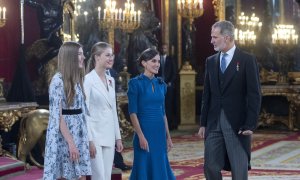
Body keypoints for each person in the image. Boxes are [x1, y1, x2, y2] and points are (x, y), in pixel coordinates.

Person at [198, 20, 261, 180]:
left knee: (239, 171)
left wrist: (250, 123)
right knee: (210, 166)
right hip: (213, 123)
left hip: (238, 124)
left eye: (214, 37)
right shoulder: (210, 61)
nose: (211, 40)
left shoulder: (247, 59)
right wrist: (203, 123)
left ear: (226, 37)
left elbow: (254, 94)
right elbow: (207, 94)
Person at [43, 41, 91, 180]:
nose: (83, 57)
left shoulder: (77, 79)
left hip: (79, 134)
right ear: (70, 57)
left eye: (83, 54)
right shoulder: (57, 81)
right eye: (79, 54)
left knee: (79, 175)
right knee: (66, 175)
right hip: (64, 136)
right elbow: (57, 116)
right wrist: (70, 142)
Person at [127, 48, 176, 179]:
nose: (157, 64)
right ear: (144, 63)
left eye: (158, 61)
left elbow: (163, 113)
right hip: (144, 131)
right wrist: (141, 136)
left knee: (160, 164)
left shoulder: (161, 84)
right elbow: (132, 113)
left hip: (159, 133)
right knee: (144, 166)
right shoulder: (134, 84)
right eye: (153, 61)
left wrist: (168, 137)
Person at [84, 42, 123, 180]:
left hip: (109, 135)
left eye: (112, 55)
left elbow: (113, 111)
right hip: (94, 136)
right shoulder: (87, 80)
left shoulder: (111, 80)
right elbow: (85, 113)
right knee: (99, 177)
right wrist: (89, 140)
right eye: (107, 55)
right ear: (97, 57)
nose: (111, 58)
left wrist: (118, 137)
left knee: (106, 176)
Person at [158, 44, 177, 130]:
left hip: (169, 86)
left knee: (168, 105)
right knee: (160, 105)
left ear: (167, 49)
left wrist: (170, 82)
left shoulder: (171, 59)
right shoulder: (157, 59)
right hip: (159, 86)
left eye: (165, 48)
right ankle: (160, 125)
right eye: (162, 48)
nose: (163, 49)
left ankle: (168, 125)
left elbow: (174, 73)